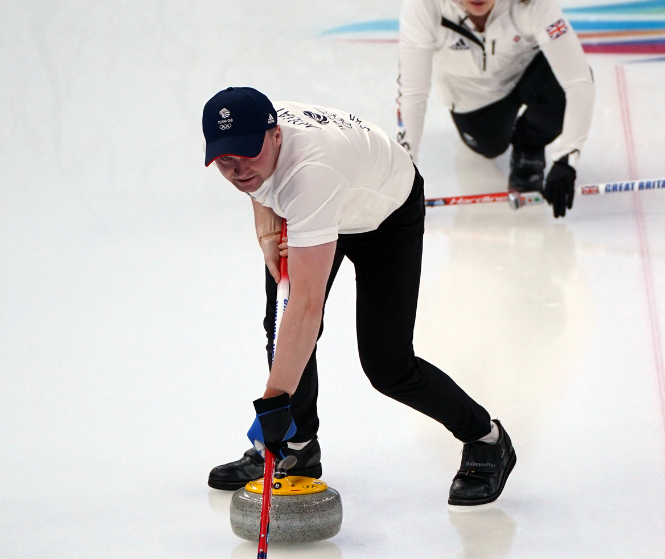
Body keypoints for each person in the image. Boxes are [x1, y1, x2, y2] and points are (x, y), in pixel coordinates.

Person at [201, 86, 515, 506]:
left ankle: (486, 438)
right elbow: (258, 181)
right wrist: (266, 231)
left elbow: (306, 304)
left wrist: (274, 405)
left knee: (388, 366)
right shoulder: (259, 143)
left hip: (386, 213)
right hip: (330, 202)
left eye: (246, 155)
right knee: (282, 332)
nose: (238, 170)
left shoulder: (311, 175)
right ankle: (297, 450)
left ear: (275, 135)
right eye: (225, 160)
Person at [396, 0, 595, 218]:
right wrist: (402, 177)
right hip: (473, 98)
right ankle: (500, 134)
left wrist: (567, 158)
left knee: (561, 95)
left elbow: (579, 80)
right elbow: (413, 92)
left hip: (528, 75)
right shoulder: (424, 0)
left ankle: (529, 148)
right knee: (489, 148)